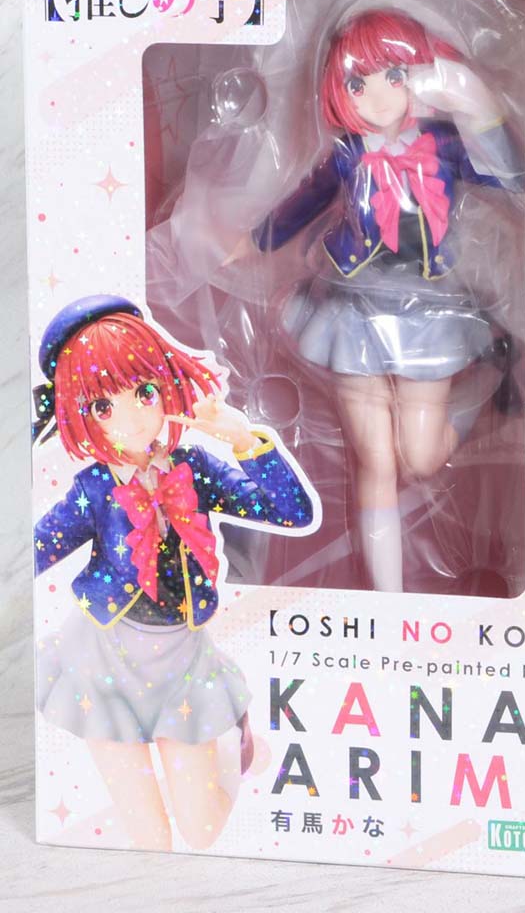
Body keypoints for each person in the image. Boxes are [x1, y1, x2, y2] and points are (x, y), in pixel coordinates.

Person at [33, 295, 317, 850]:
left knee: (202, 830)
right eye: (103, 406)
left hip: (182, 658)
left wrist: (242, 438)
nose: (134, 418)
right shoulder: (95, 490)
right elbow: (34, 547)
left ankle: (233, 741)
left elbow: (292, 512)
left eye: (144, 392)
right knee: (149, 837)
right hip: (102, 658)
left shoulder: (195, 468)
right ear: (77, 413)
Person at [254, 8, 524, 592]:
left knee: (420, 458)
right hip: (352, 308)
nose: (377, 96)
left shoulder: (444, 145)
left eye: (393, 76)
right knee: (374, 461)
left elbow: (513, 179)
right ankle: (388, 600)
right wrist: (253, 240)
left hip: (427, 311)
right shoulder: (348, 154)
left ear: (419, 79)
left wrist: (478, 104)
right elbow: (306, 200)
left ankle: (486, 375)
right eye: (358, 83)